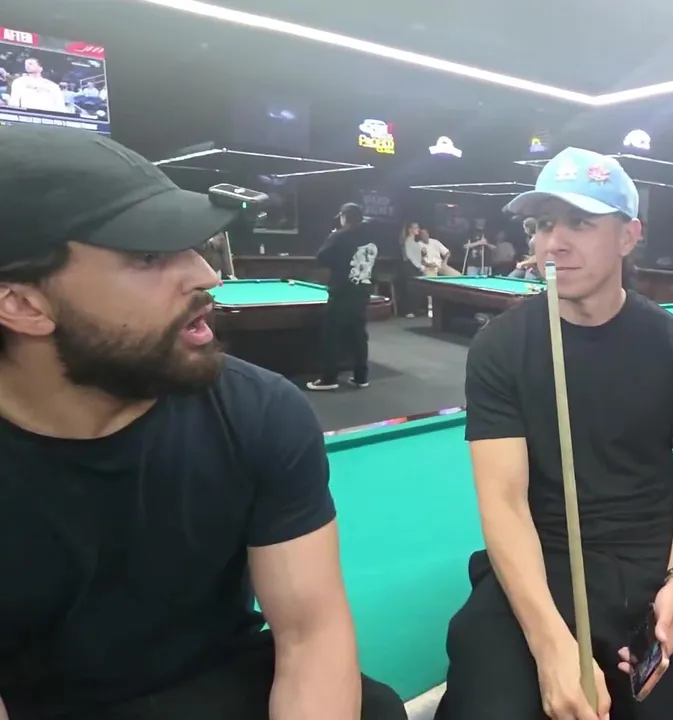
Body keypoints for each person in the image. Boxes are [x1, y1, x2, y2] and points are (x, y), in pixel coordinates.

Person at [0, 126, 405, 720]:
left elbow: (310, 635)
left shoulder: (258, 410)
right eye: (147, 256)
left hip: (220, 676)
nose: (206, 275)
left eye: (190, 246)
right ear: (22, 305)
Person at [435, 148, 673, 720]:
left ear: (628, 236)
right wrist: (550, 645)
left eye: (580, 222)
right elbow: (503, 503)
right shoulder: (500, 346)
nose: (555, 242)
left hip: (652, 561)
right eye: (544, 223)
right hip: (540, 558)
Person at [308, 203, 378, 391]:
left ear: (345, 217)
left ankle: (329, 379)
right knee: (359, 336)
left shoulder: (339, 235)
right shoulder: (372, 237)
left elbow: (321, 258)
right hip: (362, 292)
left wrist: (334, 242)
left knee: (332, 336)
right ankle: (361, 377)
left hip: (342, 292)